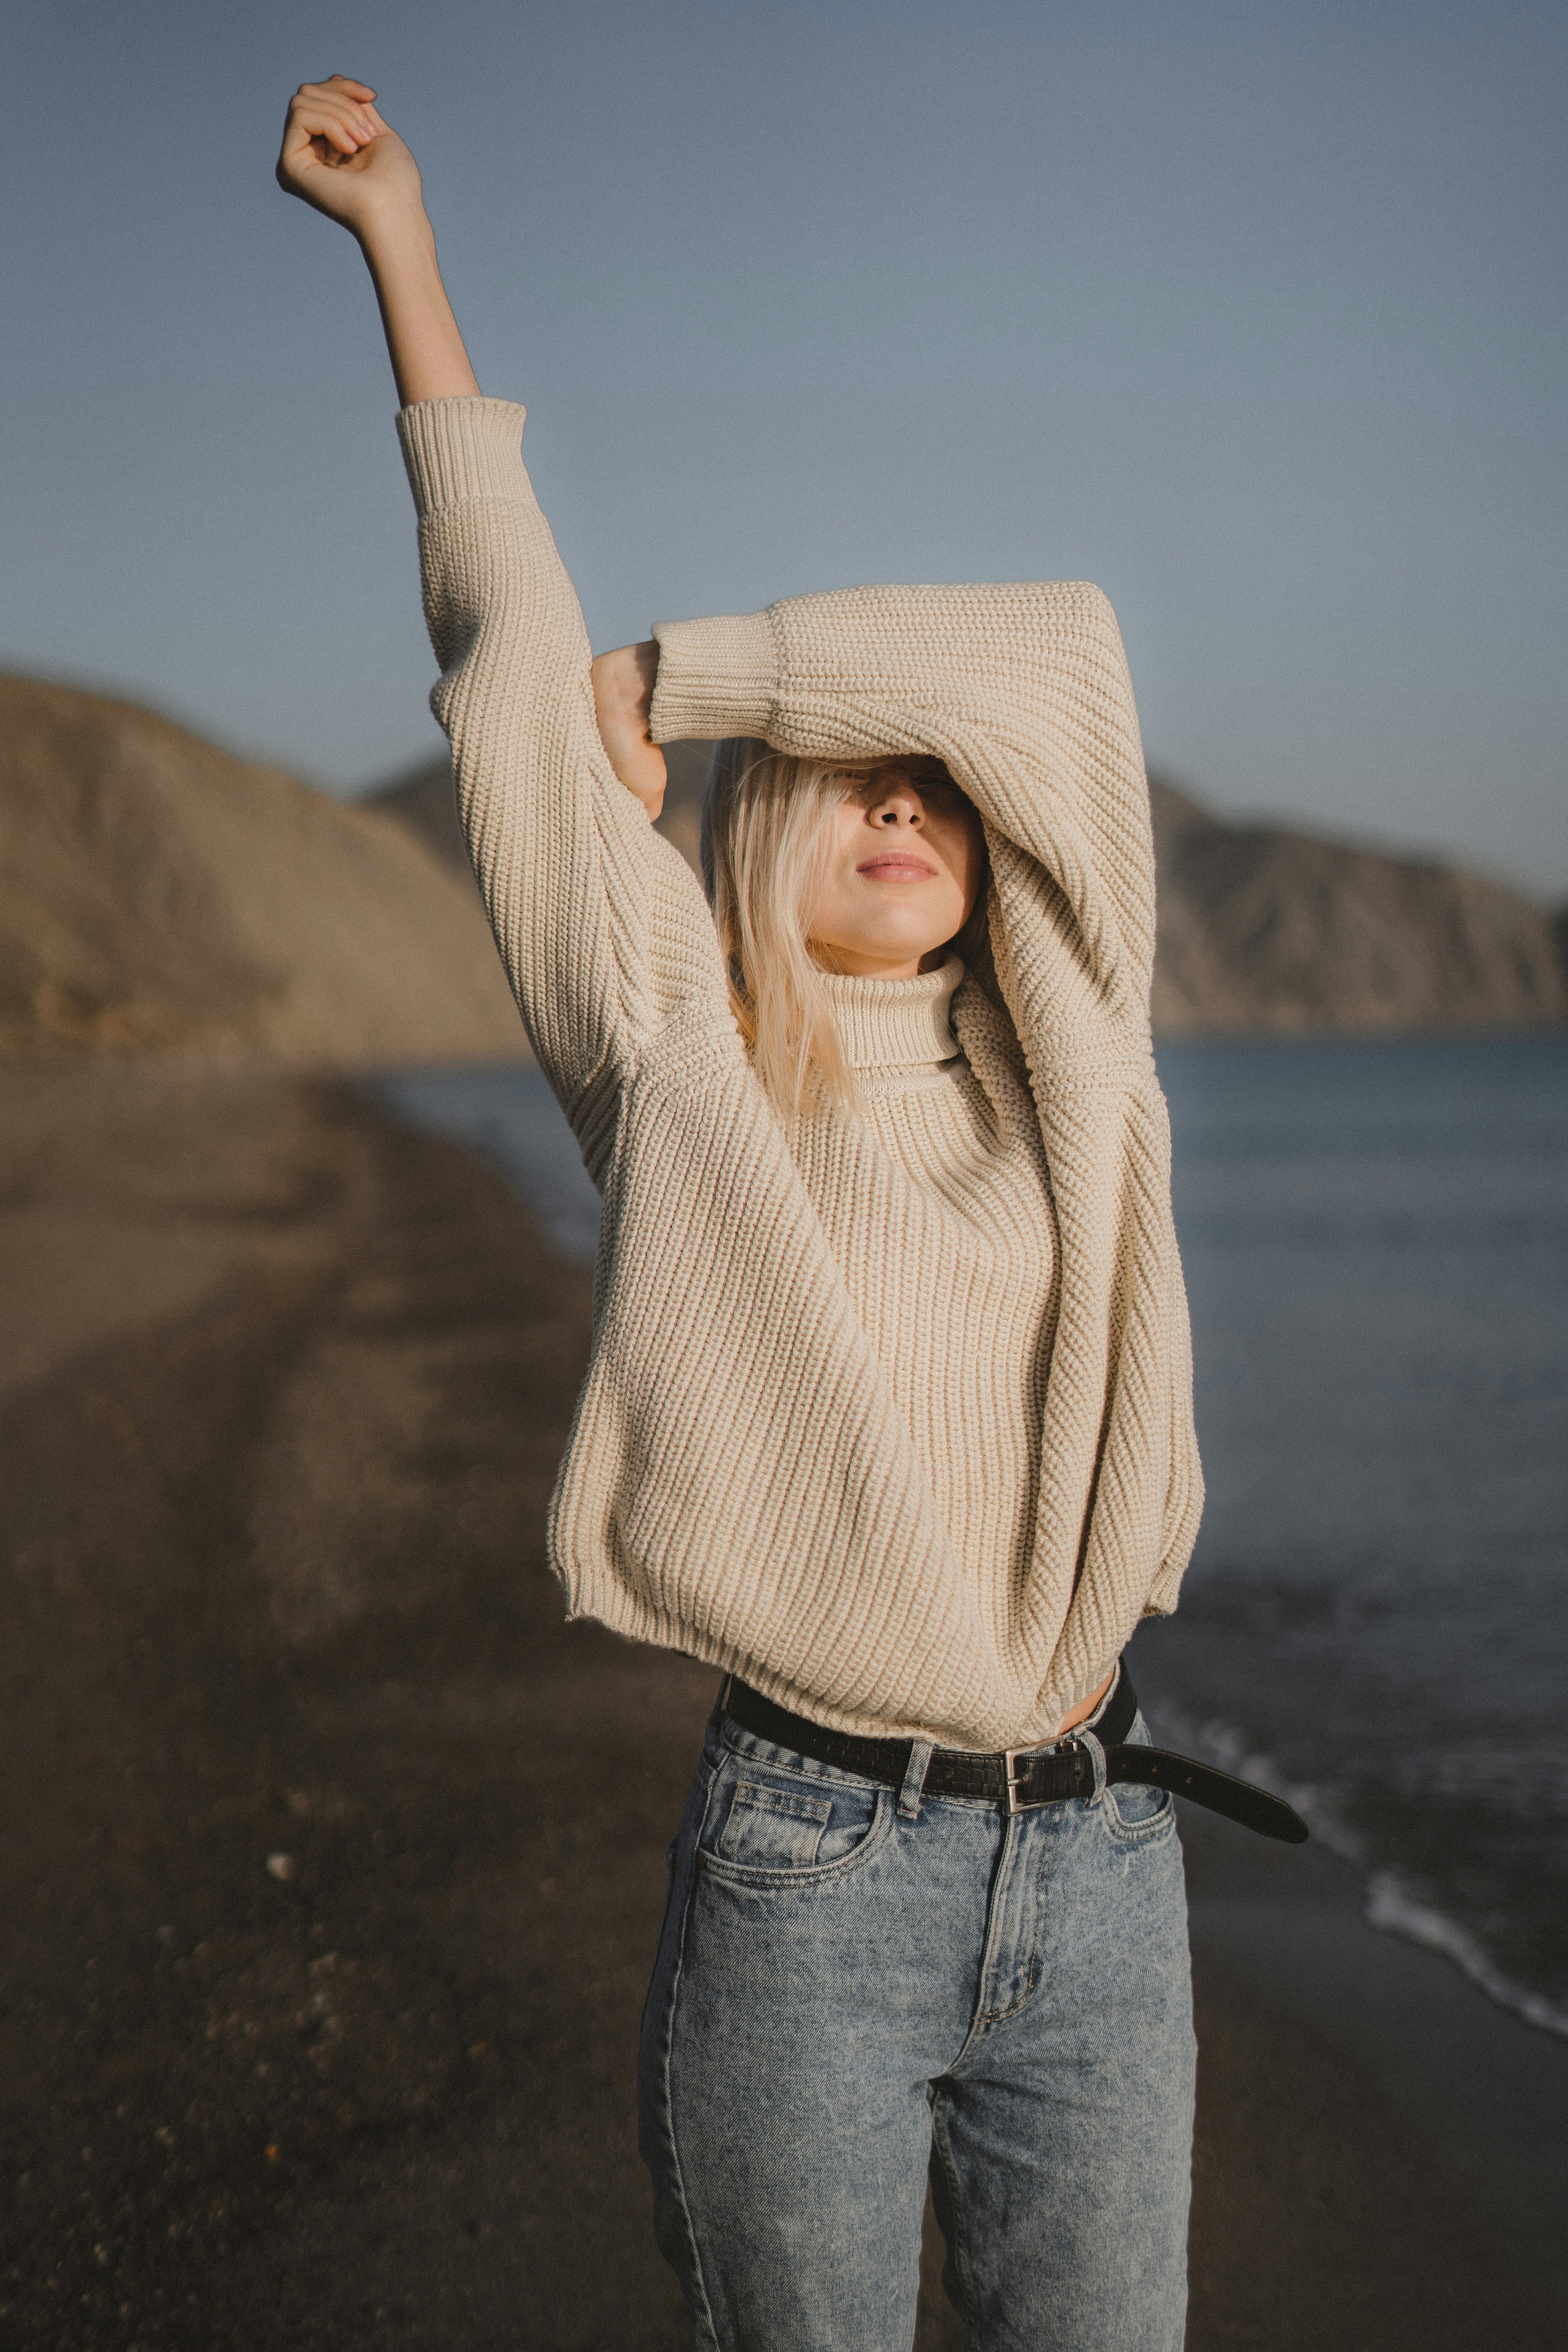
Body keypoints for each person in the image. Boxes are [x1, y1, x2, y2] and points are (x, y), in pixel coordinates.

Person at [278, 74, 1211, 2352]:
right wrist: (399, 238)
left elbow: (1062, 661)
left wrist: (716, 677)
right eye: (846, 783)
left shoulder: (1072, 1057)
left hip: (1105, 1862)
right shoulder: (677, 1046)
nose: (903, 799)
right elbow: (510, 664)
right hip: (816, 1874)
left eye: (936, 793)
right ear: (749, 835)